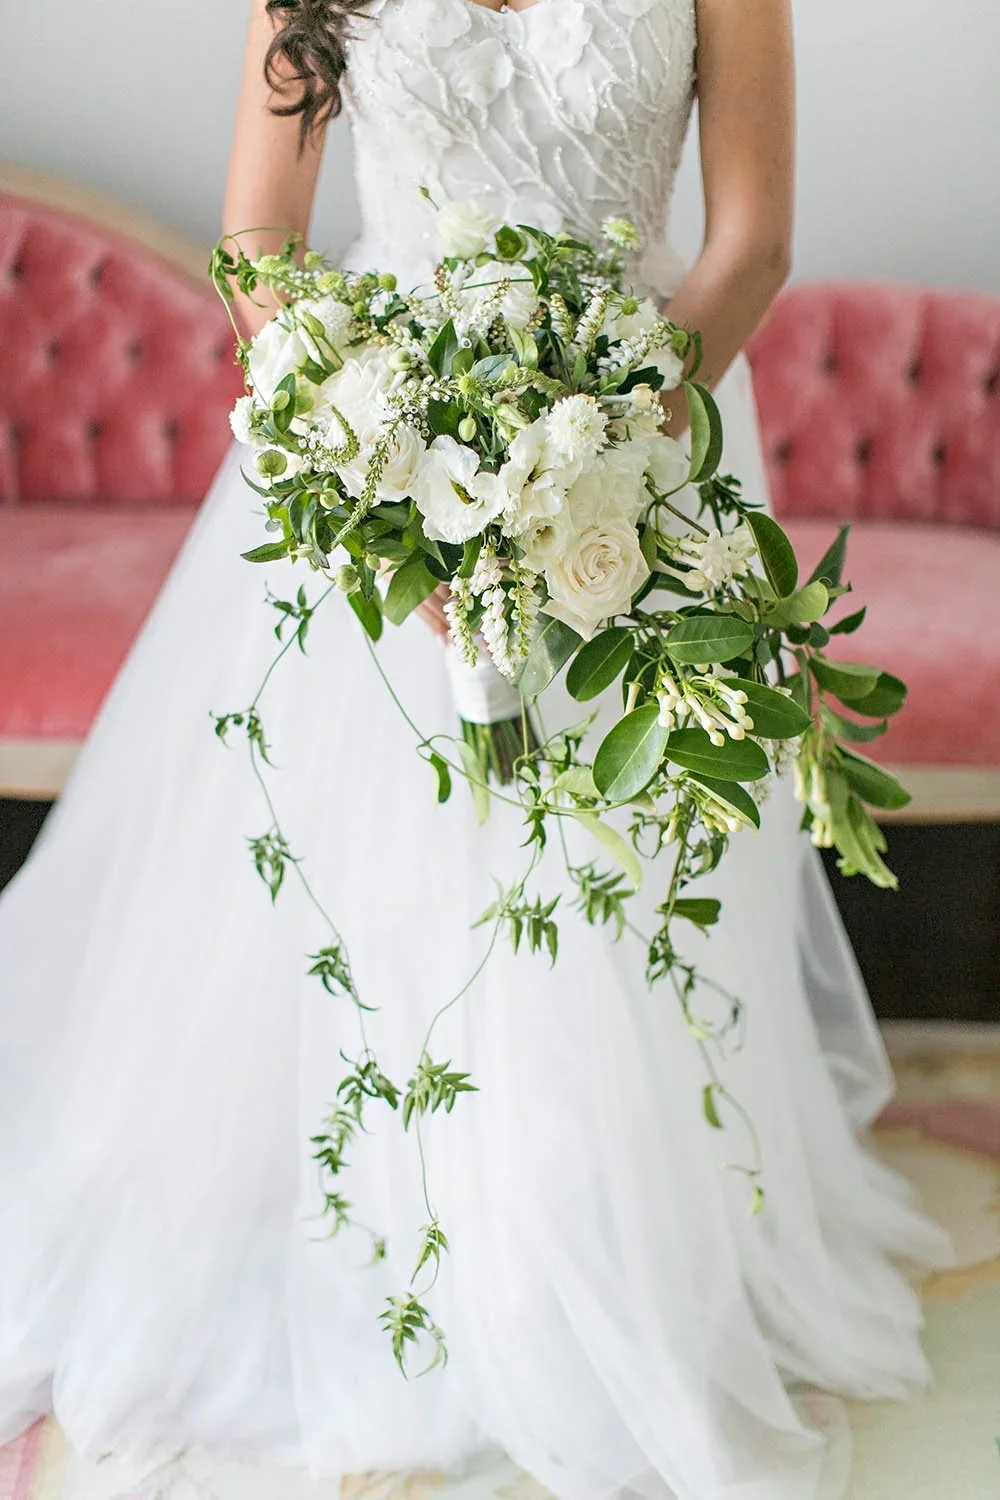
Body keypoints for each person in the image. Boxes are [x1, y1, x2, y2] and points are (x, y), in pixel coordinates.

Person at [0, 2, 950, 1497]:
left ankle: (584, 1252)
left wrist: (598, 465)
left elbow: (751, 241)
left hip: (642, 443)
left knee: (616, 872)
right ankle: (394, 1234)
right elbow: (260, 238)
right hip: (376, 447)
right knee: (366, 862)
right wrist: (385, 473)